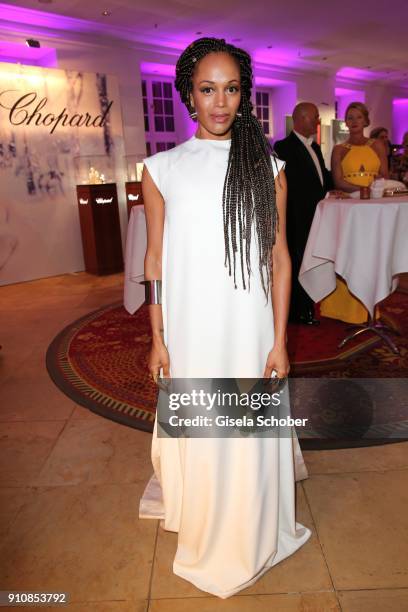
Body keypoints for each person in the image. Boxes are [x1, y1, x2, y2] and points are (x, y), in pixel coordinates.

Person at [139, 37, 311, 598]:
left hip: (249, 325)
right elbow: (155, 259)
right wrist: (157, 336)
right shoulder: (161, 168)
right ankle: (209, 523)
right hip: (191, 326)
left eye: (232, 88)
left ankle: (255, 528)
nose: (220, 102)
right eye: (208, 89)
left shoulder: (268, 165)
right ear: (189, 93)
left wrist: (280, 340)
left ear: (244, 95)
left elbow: (280, 257)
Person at [320, 102, 389, 324]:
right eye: (350, 117)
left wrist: (373, 191)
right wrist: (363, 190)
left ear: (366, 120)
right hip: (351, 209)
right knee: (349, 252)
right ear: (346, 122)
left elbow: (384, 177)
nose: (354, 121)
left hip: (375, 210)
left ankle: (370, 307)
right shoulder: (339, 149)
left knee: (373, 255)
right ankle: (344, 310)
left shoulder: (378, 145)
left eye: (358, 117)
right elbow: (338, 181)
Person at [274, 102, 333, 325]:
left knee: (311, 261)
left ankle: (308, 307)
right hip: (296, 219)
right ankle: (299, 311)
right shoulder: (283, 147)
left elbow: (322, 177)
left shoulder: (315, 147)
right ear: (300, 118)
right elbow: (287, 186)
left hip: (316, 216)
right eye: (315, 116)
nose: (318, 120)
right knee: (298, 264)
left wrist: (332, 189)